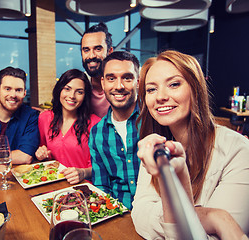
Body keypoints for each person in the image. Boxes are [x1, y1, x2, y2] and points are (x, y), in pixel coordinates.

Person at [131, 50, 249, 239]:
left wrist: (176, 217)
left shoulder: (239, 151)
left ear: (195, 88)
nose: (160, 96)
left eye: (174, 84)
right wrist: (212, 216)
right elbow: (139, 214)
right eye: (151, 89)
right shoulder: (157, 145)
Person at [89, 51, 141, 209]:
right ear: (103, 83)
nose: (119, 86)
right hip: (119, 214)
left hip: (157, 217)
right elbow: (101, 187)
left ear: (138, 82)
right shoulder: (97, 132)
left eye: (127, 78)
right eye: (112, 79)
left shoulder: (155, 122)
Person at [35, 69, 100, 184]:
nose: (72, 96)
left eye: (79, 92)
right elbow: (42, 151)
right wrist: (40, 154)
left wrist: (83, 173)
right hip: (50, 186)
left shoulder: (95, 123)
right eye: (67, 89)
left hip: (81, 188)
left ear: (85, 96)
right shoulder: (44, 118)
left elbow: (100, 168)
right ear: (59, 90)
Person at [81, 22, 113, 118]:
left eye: (98, 49)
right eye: (86, 50)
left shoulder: (122, 84)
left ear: (109, 52)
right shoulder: (80, 84)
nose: (91, 56)